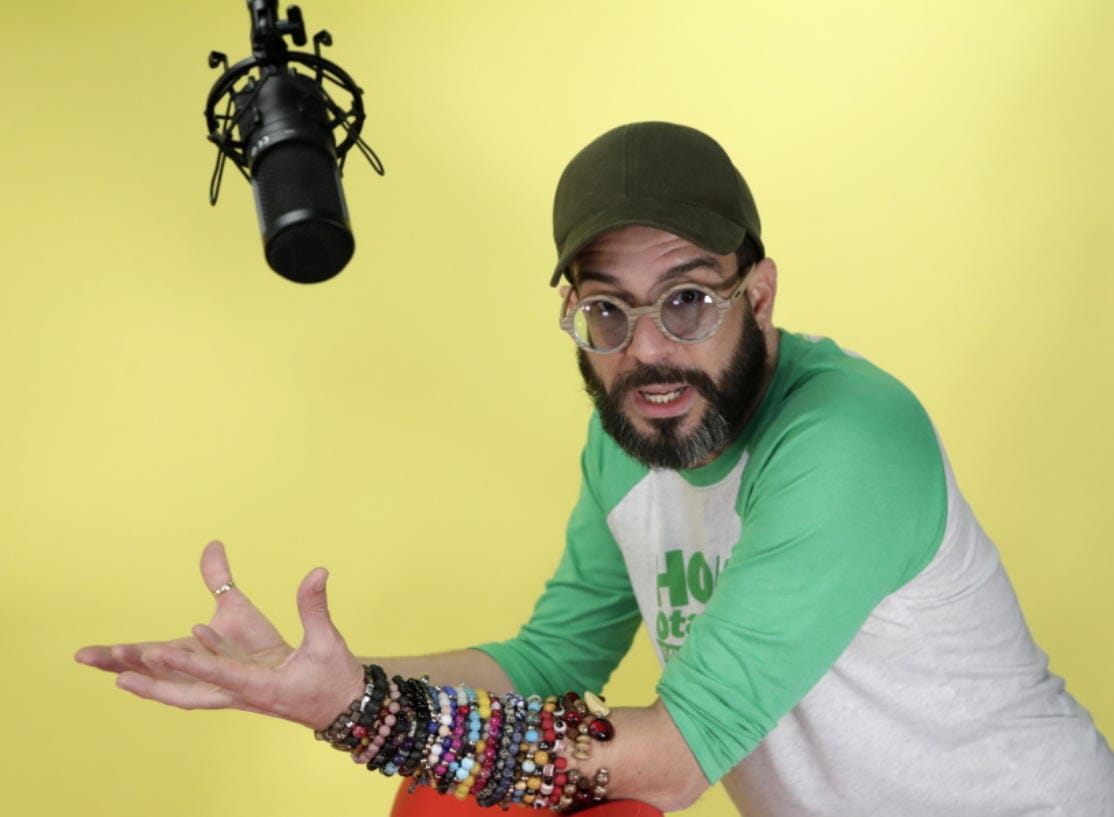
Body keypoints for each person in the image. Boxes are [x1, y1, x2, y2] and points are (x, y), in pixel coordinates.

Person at [75, 122, 1114, 816]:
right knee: (458, 795)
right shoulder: (630, 439)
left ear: (757, 294)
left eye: (687, 299)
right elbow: (547, 663)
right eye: (604, 310)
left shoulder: (845, 436)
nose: (647, 351)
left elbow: (672, 755)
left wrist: (363, 714)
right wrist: (314, 684)